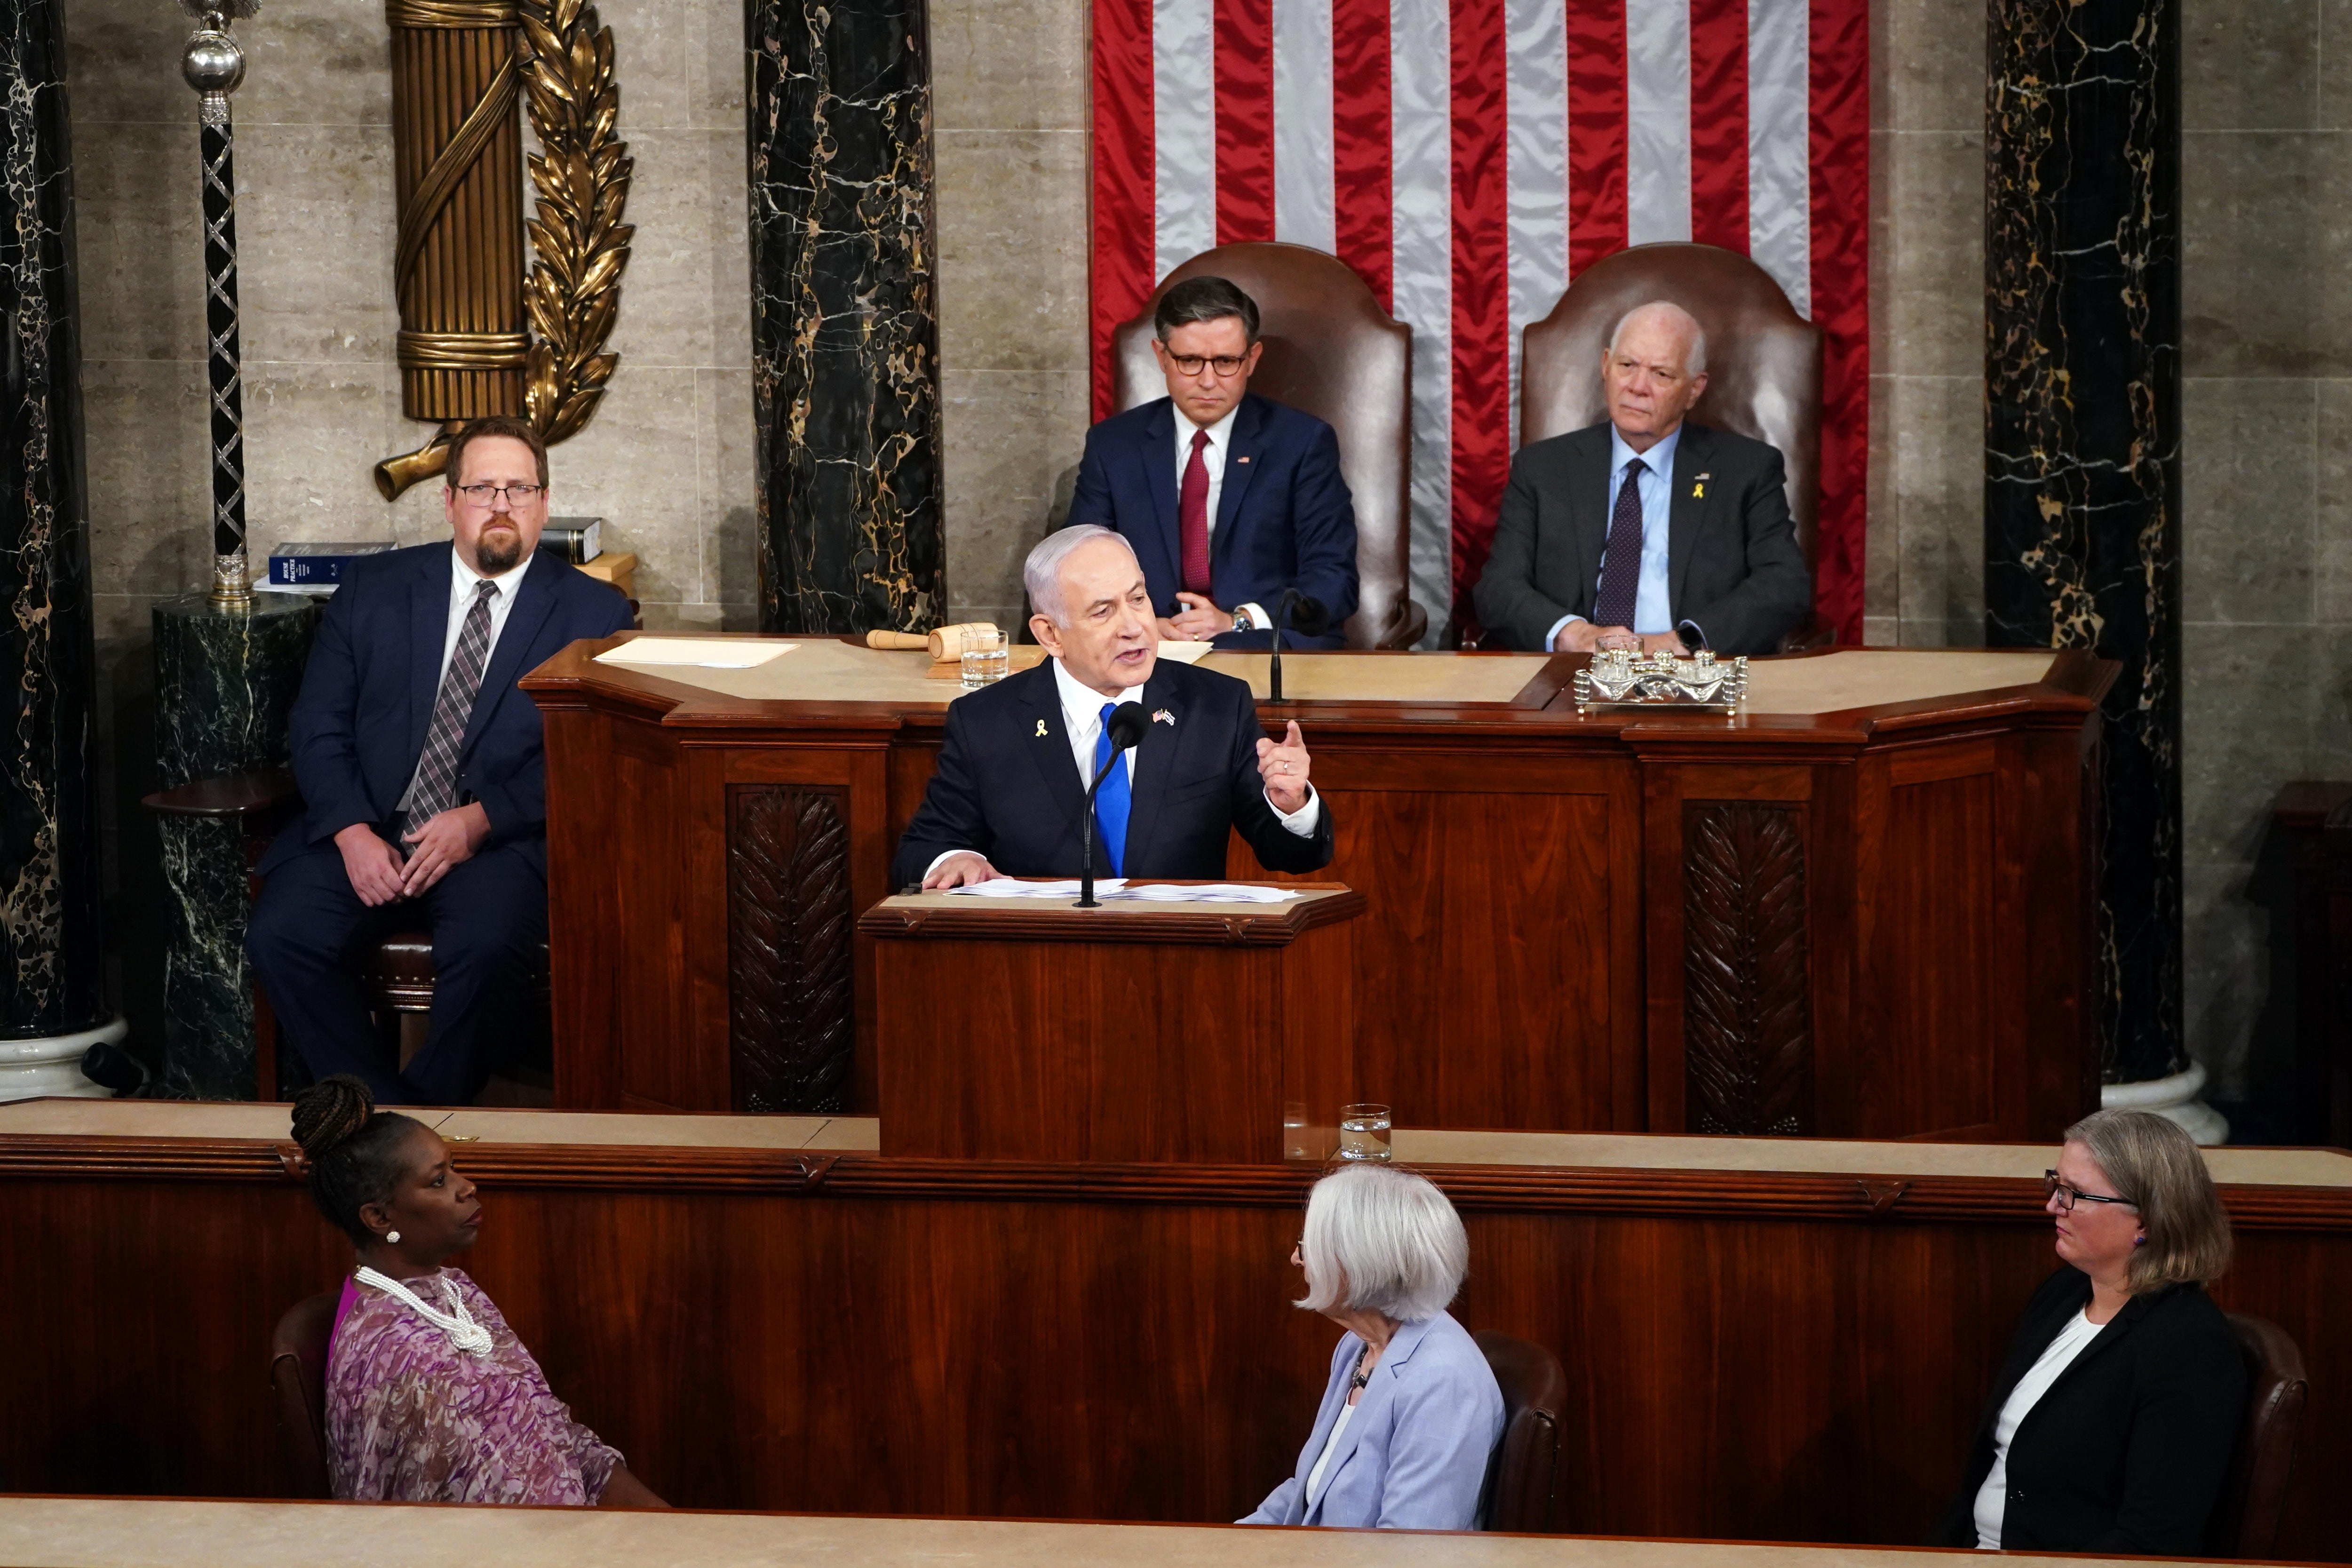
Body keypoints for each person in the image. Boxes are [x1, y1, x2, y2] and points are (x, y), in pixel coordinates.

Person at [246, 414, 634, 1106]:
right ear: (450, 499)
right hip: (369, 826)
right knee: (283, 936)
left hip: (496, 842)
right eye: (483, 488)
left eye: (520, 489)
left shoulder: (596, 614)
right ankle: (385, 1119)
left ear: (545, 502)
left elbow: (590, 753)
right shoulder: (373, 589)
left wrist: (482, 821)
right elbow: (318, 724)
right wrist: (352, 832)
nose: (502, 505)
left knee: (488, 952)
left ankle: (418, 1125)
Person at [288, 1074, 667, 1507]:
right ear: (379, 1216)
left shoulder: (453, 1289)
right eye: (437, 1181)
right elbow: (464, 1519)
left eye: (453, 1167)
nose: (466, 1186)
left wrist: (663, 1522)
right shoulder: (398, 1352)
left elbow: (549, 1437)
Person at [892, 525, 1334, 889]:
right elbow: (923, 847)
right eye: (1103, 611)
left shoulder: (1216, 705)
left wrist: (1293, 805)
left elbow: (1291, 857)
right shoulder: (987, 721)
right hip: (1041, 967)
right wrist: (955, 859)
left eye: (1138, 599)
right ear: (1050, 634)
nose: (1134, 626)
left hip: (1182, 967)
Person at [1931, 1109, 2248, 1555]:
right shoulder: (2062, 1293)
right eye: (2056, 1184)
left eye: (2075, 1194)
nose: (2052, 1205)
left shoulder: (2189, 1347)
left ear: (2148, 1220)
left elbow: (2152, 1538)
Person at [1471, 299, 1811, 657]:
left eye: (1661, 374)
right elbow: (1498, 588)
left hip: (1693, 678)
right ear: (1606, 365)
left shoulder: (1746, 469)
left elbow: (1783, 585)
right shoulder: (1542, 467)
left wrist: (1679, 642)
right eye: (1627, 365)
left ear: (1695, 388)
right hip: (1571, 675)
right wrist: (1573, 635)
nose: (1638, 386)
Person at [1066, 276, 1359, 648]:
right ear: (1161, 356)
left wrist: (1239, 620)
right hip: (1143, 648)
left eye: (1225, 362)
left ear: (1252, 359)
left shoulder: (1302, 443)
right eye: (1189, 361)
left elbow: (1334, 578)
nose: (1208, 381)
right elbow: (1077, 566)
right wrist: (1143, 623)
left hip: (1260, 648)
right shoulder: (1113, 445)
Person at [1241, 1163, 1504, 1530]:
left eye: (1307, 1244)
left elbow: (1409, 1549)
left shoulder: (1443, 1381)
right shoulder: (1357, 1346)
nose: (1296, 1258)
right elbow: (1309, 1489)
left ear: (1356, 1263)